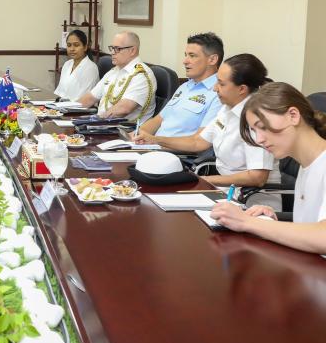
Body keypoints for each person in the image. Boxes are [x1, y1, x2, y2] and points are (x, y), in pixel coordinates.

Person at [211, 82, 326, 253]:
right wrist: (271, 219)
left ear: (293, 115)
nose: (259, 139)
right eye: (254, 131)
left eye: (263, 127)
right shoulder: (307, 164)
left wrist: (247, 222)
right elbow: (312, 224)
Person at [134, 54, 277, 190]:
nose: (215, 88)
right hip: (223, 189)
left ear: (242, 89)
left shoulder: (257, 120)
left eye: (221, 84)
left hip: (250, 200)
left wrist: (204, 180)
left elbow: (257, 177)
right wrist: (154, 139)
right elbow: (198, 142)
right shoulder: (226, 109)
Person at [132, 32, 224, 138]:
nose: (185, 61)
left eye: (192, 56)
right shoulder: (185, 87)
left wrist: (155, 141)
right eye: (186, 55)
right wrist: (133, 137)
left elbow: (198, 142)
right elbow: (158, 120)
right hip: (153, 147)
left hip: (177, 153)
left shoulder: (219, 93)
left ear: (212, 60)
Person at [76, 31, 157, 124]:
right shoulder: (115, 71)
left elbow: (124, 109)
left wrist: (94, 121)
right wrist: (66, 110)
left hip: (124, 131)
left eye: (117, 49)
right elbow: (90, 98)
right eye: (112, 48)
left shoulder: (141, 75)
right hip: (103, 125)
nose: (112, 53)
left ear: (132, 51)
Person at [54, 30, 99, 101]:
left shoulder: (91, 68)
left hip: (79, 109)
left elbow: (83, 99)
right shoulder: (67, 64)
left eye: (76, 45)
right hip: (62, 106)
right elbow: (60, 92)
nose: (72, 49)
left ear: (85, 47)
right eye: (69, 45)